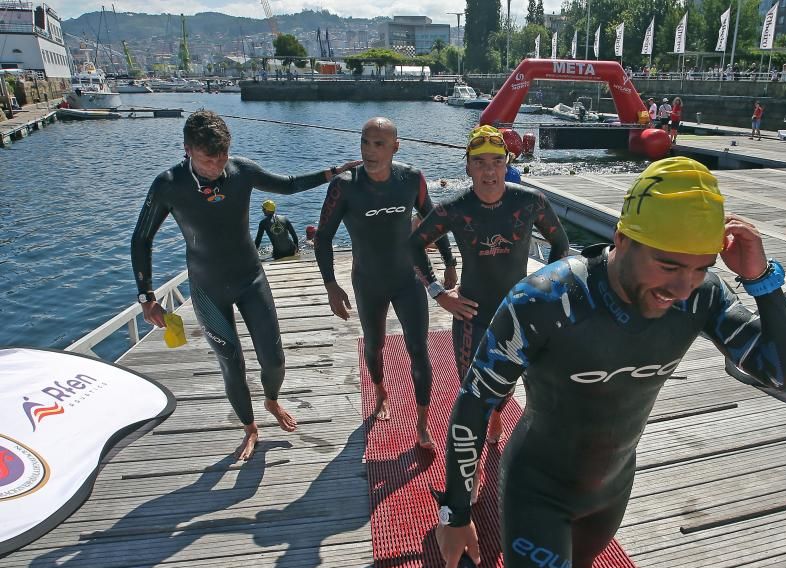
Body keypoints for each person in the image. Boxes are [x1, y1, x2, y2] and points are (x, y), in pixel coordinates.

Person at [434, 156, 786, 568]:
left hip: (612, 489)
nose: (683, 288)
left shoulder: (702, 298)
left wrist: (760, 280)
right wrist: (455, 513)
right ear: (622, 238)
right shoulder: (546, 300)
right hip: (537, 492)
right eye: (668, 266)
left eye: (701, 267)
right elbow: (474, 404)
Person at [131, 109, 359, 460]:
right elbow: (141, 239)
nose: (219, 163)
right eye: (210, 157)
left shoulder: (240, 171)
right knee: (231, 362)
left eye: (224, 153)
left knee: (275, 360)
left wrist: (333, 172)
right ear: (188, 149)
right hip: (208, 288)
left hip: (250, 279)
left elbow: (289, 183)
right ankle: (250, 428)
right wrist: (147, 297)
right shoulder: (168, 185)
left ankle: (270, 400)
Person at [408, 124, 570, 447]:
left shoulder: (531, 202)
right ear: (467, 166)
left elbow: (561, 244)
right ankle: (473, 462)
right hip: (471, 315)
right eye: (479, 162)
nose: (489, 171)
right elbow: (413, 245)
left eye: (496, 161)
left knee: (507, 387)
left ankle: (498, 417)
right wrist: (439, 294)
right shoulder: (454, 208)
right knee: (472, 391)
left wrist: (546, 291)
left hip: (518, 312)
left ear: (507, 163)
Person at [313, 116, 457, 449]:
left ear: (395, 146)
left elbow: (432, 222)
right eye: (365, 142)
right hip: (368, 282)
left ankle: (422, 425)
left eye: (379, 144)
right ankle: (380, 392)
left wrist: (449, 263)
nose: (370, 151)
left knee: (418, 350)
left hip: (407, 279)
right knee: (374, 347)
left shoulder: (411, 179)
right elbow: (322, 238)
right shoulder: (345, 185)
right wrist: (331, 285)